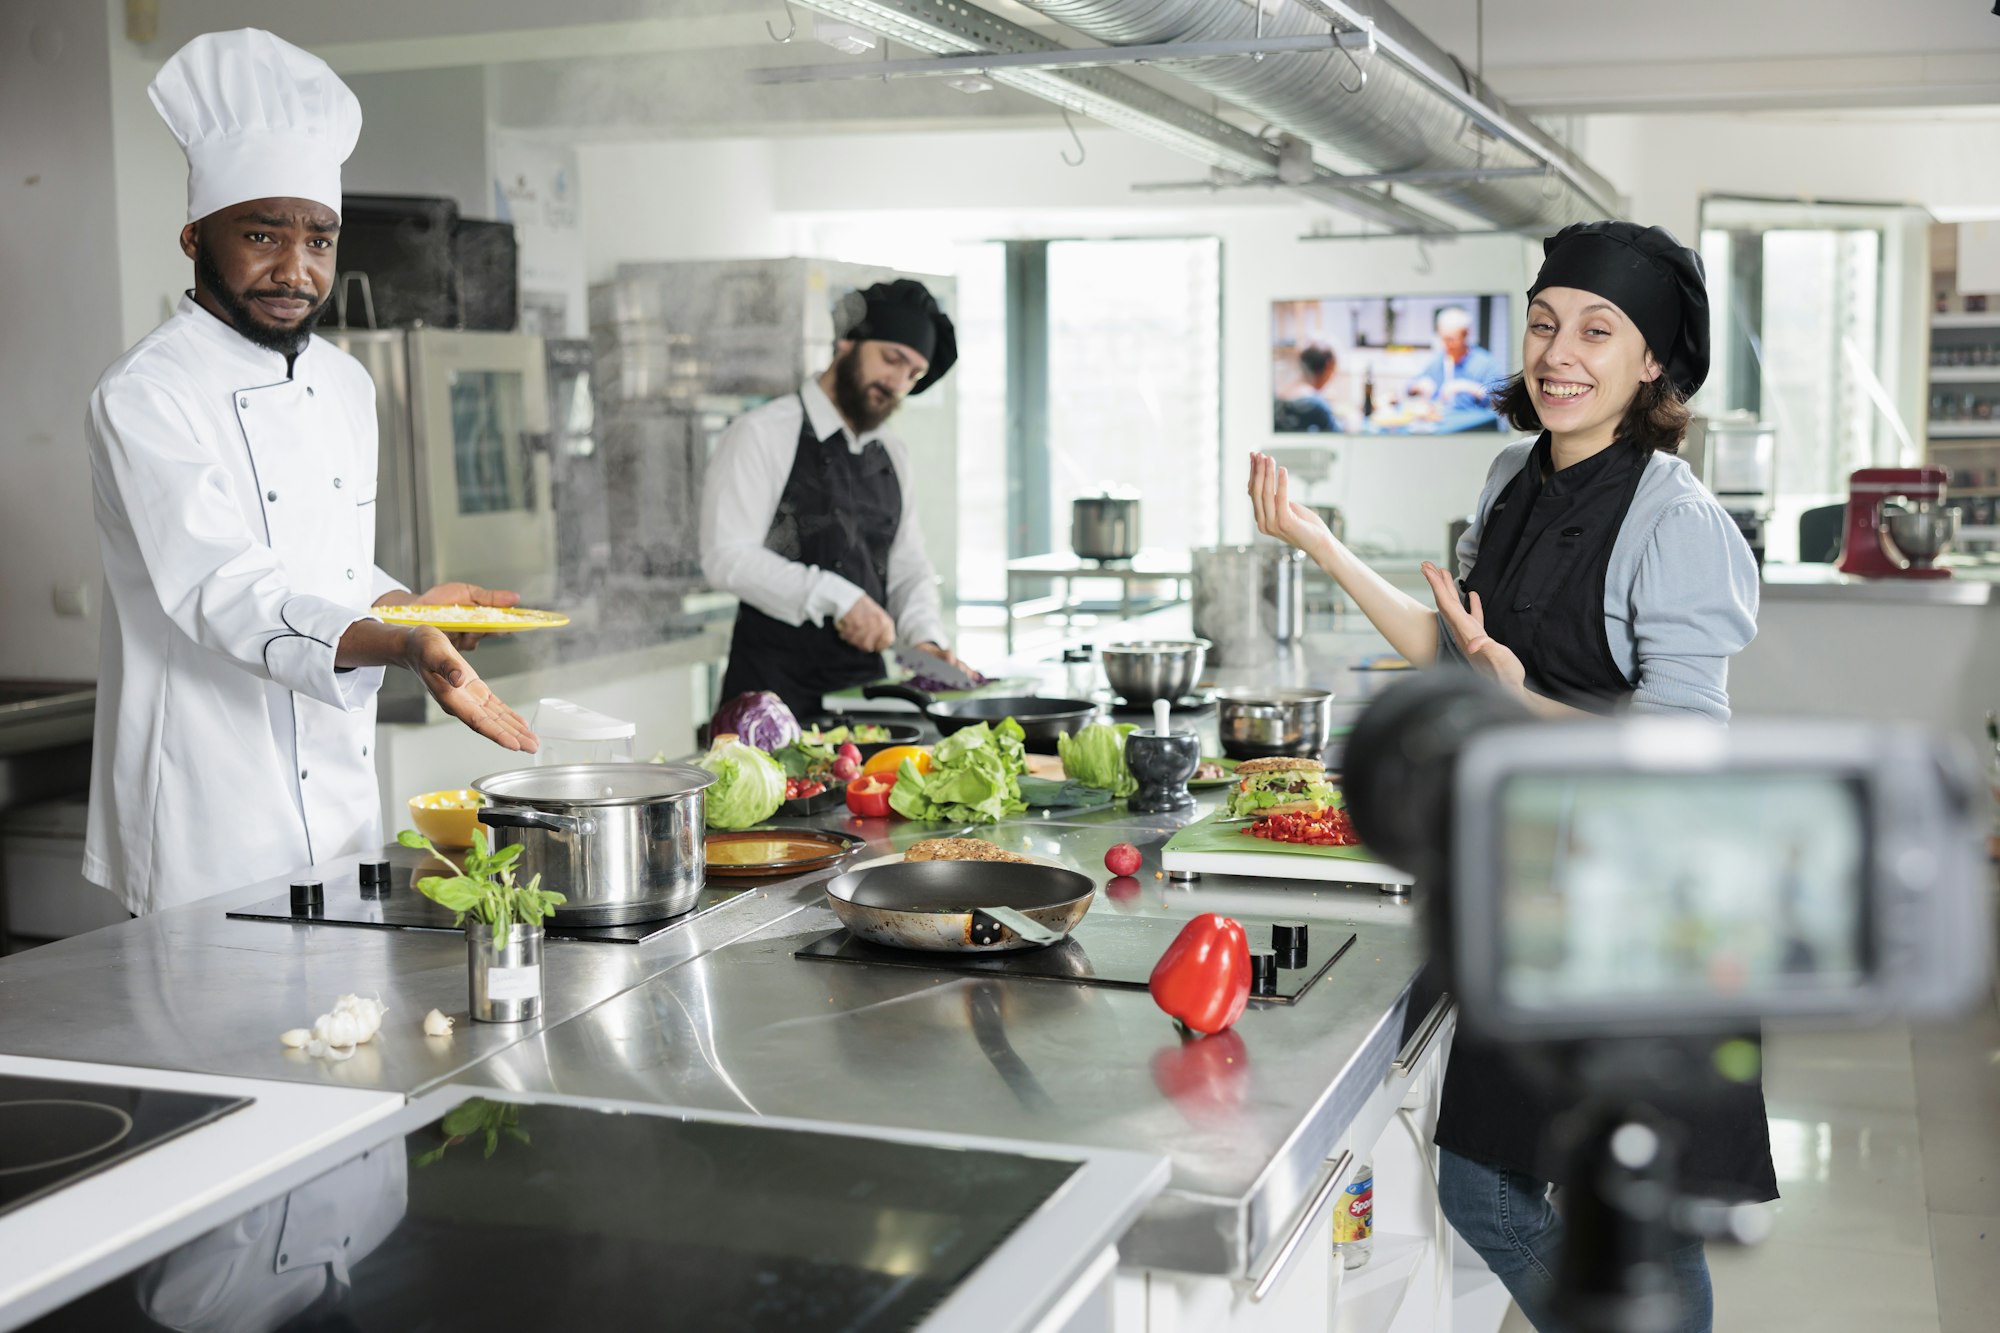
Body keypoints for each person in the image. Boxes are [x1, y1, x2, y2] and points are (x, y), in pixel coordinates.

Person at [1251, 220, 1773, 1332]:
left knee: (1605, 1202)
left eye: (1596, 329)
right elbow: (1454, 649)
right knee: (1497, 1184)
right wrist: (1317, 541)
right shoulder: (1510, 475)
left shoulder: (1675, 520)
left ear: (1651, 366)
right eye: (1541, 323)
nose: (1557, 352)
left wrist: (1513, 697)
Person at [85, 29, 537, 916]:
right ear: (193, 237)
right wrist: (403, 646)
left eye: (320, 241)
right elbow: (224, 586)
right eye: (262, 235)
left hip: (335, 800)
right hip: (203, 809)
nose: (296, 270)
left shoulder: (344, 381)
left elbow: (323, 566)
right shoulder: (145, 393)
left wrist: (411, 609)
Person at [701, 279, 968, 718]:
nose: (898, 382)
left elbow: (908, 566)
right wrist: (838, 598)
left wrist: (925, 639)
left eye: (913, 374)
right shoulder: (762, 433)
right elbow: (725, 557)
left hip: (861, 702)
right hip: (769, 701)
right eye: (891, 359)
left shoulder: (892, 454)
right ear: (848, 342)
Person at [1408, 305, 1502, 427]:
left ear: (1465, 334)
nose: (1447, 345)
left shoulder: (1485, 363)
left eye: (1451, 340)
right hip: (1439, 425)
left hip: (1471, 429)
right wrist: (1418, 386)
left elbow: (1500, 399)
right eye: (1443, 339)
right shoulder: (1438, 361)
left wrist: (1469, 387)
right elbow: (1410, 387)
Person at [1274, 343, 1341, 432]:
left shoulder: (1280, 396)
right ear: (1328, 367)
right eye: (1333, 371)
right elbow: (1337, 437)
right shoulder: (1316, 405)